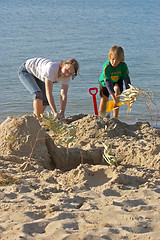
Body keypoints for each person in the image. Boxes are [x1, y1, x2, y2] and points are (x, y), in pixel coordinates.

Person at [98, 46, 131, 118]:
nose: (114, 62)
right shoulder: (106, 66)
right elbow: (108, 83)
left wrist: (130, 93)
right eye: (112, 59)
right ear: (109, 57)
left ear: (121, 59)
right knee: (104, 100)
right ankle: (101, 117)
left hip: (117, 81)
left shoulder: (123, 66)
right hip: (105, 82)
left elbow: (126, 79)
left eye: (117, 60)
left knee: (117, 92)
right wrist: (113, 98)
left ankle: (115, 117)